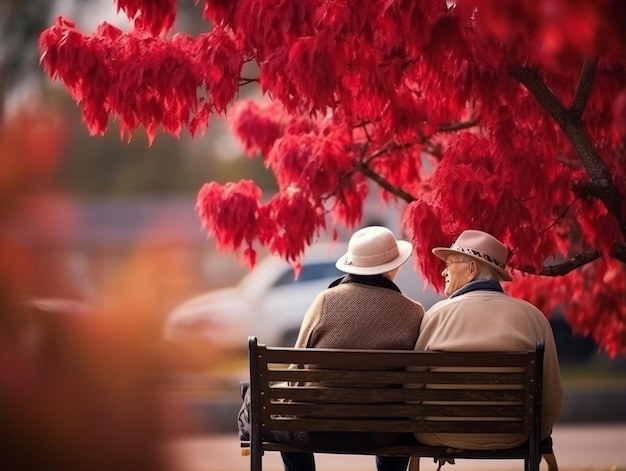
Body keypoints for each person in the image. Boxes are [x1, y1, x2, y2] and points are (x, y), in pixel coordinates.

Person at [238, 225, 426, 471]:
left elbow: (296, 372)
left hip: (315, 430)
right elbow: (413, 381)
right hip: (382, 432)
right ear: (394, 266)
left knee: (260, 400)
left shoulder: (325, 302)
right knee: (398, 416)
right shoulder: (413, 312)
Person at [413, 229, 563, 453]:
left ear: (471, 269)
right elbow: (551, 397)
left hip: (441, 432)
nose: (444, 271)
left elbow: (412, 387)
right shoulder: (533, 317)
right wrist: (536, 435)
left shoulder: (437, 316)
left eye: (450, 263)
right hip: (514, 435)